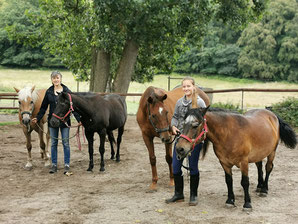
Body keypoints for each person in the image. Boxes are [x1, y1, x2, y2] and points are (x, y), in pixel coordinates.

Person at [165, 76, 206, 206]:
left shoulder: (199, 103)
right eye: (184, 86)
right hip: (180, 139)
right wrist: (173, 126)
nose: (186, 88)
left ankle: (193, 195)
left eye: (188, 86)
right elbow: (175, 117)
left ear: (193, 87)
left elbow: (204, 122)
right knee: (176, 167)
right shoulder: (179, 103)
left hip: (193, 140)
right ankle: (179, 194)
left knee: (193, 167)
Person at [32, 71, 80, 174]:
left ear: (60, 79)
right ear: (51, 80)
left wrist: (79, 120)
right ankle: (54, 165)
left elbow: (73, 107)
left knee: (66, 143)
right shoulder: (49, 92)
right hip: (52, 122)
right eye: (54, 78)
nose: (56, 80)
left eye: (57, 78)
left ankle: (67, 165)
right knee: (53, 143)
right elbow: (43, 107)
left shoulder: (67, 92)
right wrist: (37, 117)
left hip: (64, 121)